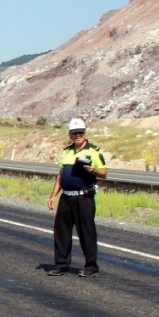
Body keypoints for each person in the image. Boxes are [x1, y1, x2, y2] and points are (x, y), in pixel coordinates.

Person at [47, 118, 107, 277]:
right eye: (75, 133)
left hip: (84, 198)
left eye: (80, 132)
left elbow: (104, 173)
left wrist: (93, 170)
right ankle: (61, 265)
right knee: (61, 232)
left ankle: (91, 267)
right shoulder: (66, 151)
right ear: (70, 134)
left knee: (86, 232)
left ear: (85, 132)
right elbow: (60, 176)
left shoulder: (93, 150)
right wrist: (53, 195)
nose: (78, 135)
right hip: (66, 198)